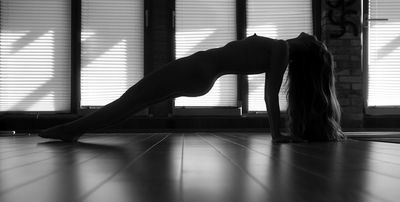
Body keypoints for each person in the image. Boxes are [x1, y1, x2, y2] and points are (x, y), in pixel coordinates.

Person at [39, 32, 345, 143]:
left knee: (131, 99)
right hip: (200, 74)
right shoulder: (281, 50)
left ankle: (72, 129)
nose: (313, 36)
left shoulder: (281, 49)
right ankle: (76, 129)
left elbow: (269, 93)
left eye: (316, 42)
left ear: (309, 52)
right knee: (132, 102)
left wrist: (277, 133)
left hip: (200, 70)